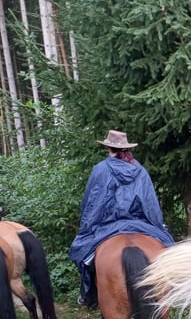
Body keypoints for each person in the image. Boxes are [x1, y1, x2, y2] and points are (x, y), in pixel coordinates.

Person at [69, 130, 174, 307]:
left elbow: (92, 203)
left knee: (81, 251)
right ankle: (174, 291)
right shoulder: (139, 170)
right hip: (141, 225)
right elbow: (150, 203)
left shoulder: (100, 170)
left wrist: (87, 227)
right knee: (170, 249)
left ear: (108, 147)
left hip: (108, 226)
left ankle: (88, 295)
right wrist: (157, 224)